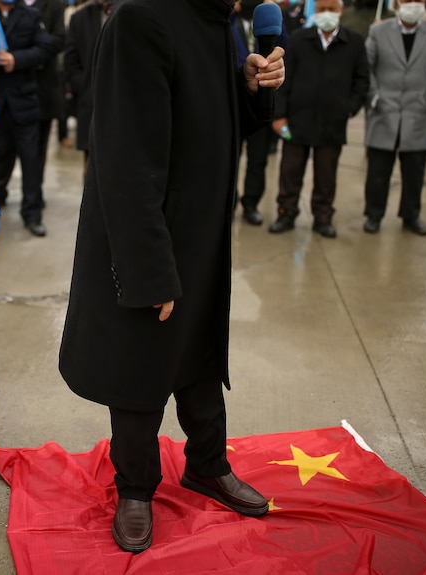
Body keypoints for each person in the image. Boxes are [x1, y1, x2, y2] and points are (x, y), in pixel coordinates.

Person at [57, 0, 285, 554]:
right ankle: (135, 488)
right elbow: (125, 157)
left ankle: (207, 465)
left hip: (201, 234)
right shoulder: (141, 18)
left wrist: (247, 88)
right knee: (142, 367)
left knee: (201, 358)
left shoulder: (217, 23)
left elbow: (202, 116)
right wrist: (148, 268)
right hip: (149, 238)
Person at [269, 0, 369, 238]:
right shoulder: (299, 39)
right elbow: (285, 81)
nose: (326, 14)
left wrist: (349, 108)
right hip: (296, 120)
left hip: (332, 122)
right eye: (322, 9)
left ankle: (323, 218)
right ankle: (286, 213)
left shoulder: (354, 43)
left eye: (331, 9)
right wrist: (280, 115)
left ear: (341, 11)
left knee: (326, 176)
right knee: (290, 172)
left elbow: (362, 80)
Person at [362, 0, 426, 236]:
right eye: (408, 0)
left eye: (418, 0)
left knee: (414, 171)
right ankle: (374, 214)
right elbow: (365, 66)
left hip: (418, 112)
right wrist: (375, 97)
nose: (413, 5)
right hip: (384, 111)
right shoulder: (378, 31)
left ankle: (411, 215)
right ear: (398, 3)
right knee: (378, 171)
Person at [0, 0, 53, 237]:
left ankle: (32, 214)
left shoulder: (30, 15)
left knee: (31, 161)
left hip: (24, 104)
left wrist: (16, 59)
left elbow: (44, 48)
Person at [231, 0, 289, 225]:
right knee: (232, 159)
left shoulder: (269, 23)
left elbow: (283, 49)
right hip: (234, 105)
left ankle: (251, 203)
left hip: (262, 101)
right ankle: (231, 201)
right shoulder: (228, 23)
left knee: (258, 161)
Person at [64, 0, 115, 172]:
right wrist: (84, 85)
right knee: (92, 161)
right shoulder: (80, 18)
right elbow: (71, 59)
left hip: (123, 100)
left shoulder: (133, 12)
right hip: (91, 99)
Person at [28, 0, 66, 186]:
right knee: (3, 149)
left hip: (43, 89)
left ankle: (34, 195)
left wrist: (26, 53)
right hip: (10, 92)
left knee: (37, 150)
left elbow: (60, 39)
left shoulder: (54, 5)